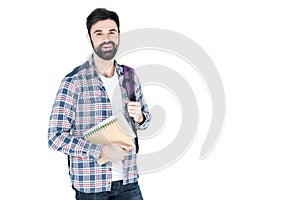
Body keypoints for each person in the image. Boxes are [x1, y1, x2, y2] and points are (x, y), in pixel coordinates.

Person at [48, 8, 151, 200]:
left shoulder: (129, 76)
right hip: (91, 185)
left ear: (119, 35)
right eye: (99, 33)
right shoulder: (74, 82)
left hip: (129, 181)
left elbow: (145, 120)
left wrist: (140, 117)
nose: (106, 38)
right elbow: (55, 137)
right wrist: (101, 150)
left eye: (111, 32)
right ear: (89, 38)